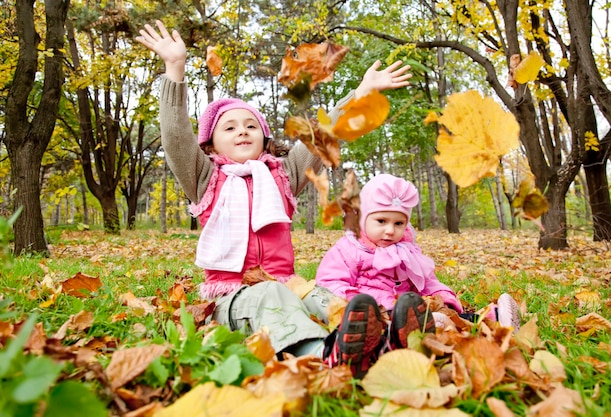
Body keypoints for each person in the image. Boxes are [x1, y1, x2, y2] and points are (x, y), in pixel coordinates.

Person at [135, 21, 413, 363]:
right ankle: (323, 353)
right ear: (210, 143)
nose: (242, 131)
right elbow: (176, 137)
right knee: (270, 296)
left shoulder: (283, 175)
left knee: (323, 297)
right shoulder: (204, 177)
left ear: (265, 139)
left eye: (251, 126)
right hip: (232, 298)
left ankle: (385, 337)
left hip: (287, 284)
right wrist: (174, 69)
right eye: (231, 127)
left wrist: (362, 93)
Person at [316, 173, 521, 377]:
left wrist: (446, 300)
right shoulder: (350, 249)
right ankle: (425, 331)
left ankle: (493, 320)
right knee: (388, 329)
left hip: (410, 310)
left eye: (398, 224)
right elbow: (330, 282)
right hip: (376, 316)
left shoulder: (406, 250)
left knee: (453, 317)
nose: (390, 231)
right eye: (381, 221)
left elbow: (427, 282)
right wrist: (356, 306)